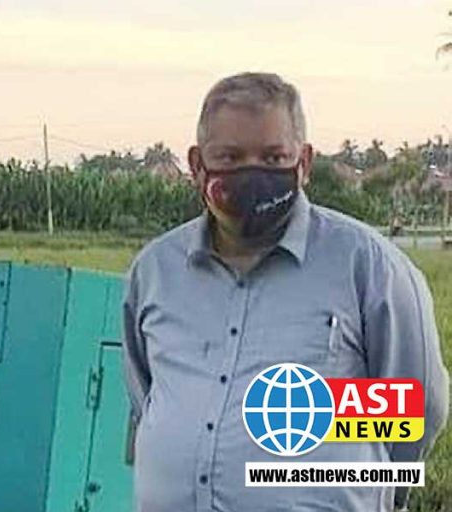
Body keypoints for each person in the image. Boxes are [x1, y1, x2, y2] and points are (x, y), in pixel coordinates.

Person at [123, 72, 448, 511]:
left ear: (304, 163)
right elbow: (149, 398)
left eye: (273, 157)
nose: (252, 173)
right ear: (197, 165)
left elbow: (415, 409)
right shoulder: (155, 271)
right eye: (230, 157)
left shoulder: (368, 267)